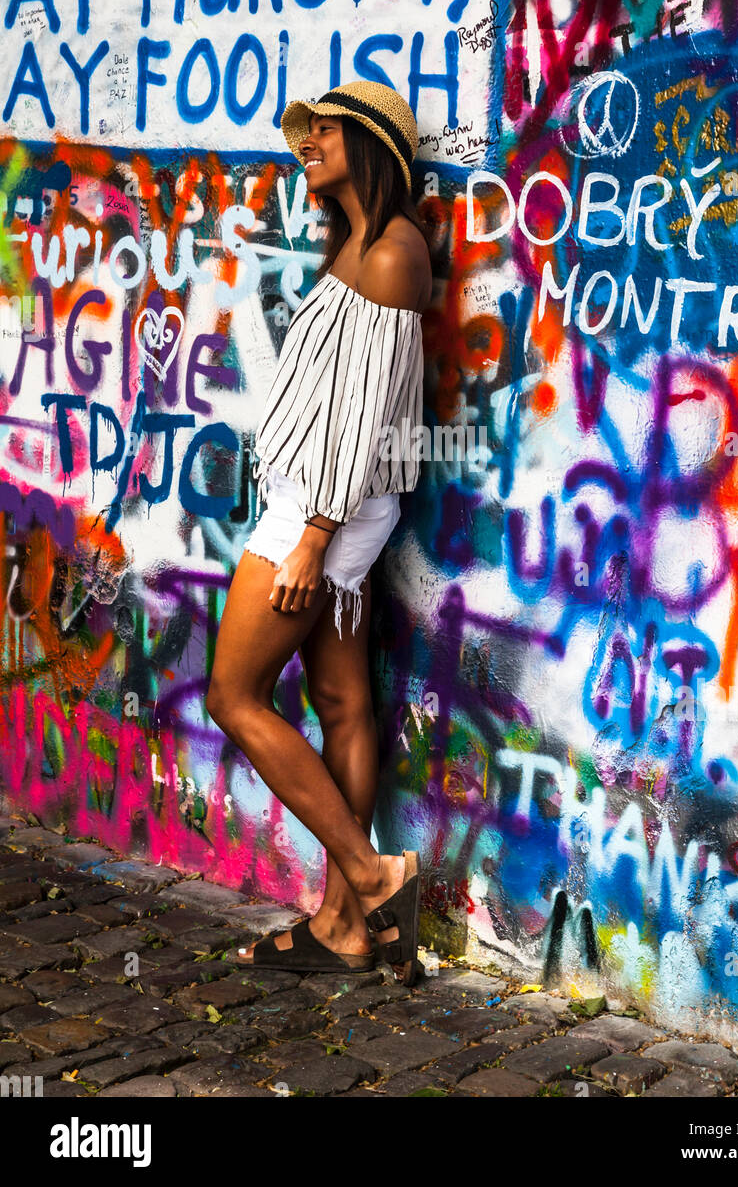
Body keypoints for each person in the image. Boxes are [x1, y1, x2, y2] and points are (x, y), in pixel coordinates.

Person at [205, 81, 432, 983]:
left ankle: (373, 877)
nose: (308, 144)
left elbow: (369, 414)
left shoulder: (390, 254)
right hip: (323, 503)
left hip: (322, 510)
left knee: (235, 695)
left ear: (369, 144)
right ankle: (342, 924)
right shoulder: (359, 247)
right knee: (340, 703)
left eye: (324, 132)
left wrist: (311, 537)